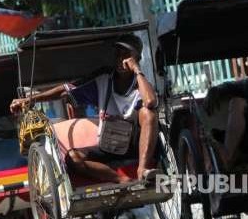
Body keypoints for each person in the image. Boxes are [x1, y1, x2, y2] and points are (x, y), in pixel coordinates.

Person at [10, 34, 159, 183]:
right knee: (73, 158)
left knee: (148, 114)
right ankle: (122, 180)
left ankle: (143, 170)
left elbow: (151, 101)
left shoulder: (141, 83)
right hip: (109, 142)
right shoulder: (103, 78)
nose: (121, 59)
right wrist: (30, 99)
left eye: (126, 55)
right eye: (118, 54)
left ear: (137, 58)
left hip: (136, 143)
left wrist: (137, 70)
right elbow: (65, 90)